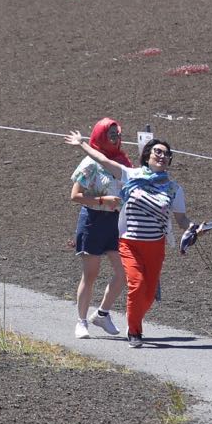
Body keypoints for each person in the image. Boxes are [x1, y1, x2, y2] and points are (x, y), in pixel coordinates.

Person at [66, 130, 190, 348]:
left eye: (166, 154)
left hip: (155, 245)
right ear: (147, 156)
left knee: (149, 292)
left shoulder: (173, 188)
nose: (161, 156)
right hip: (128, 240)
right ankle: (133, 331)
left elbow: (181, 219)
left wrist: (195, 229)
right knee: (134, 283)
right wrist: (82, 144)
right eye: (157, 152)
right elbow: (102, 160)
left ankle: (106, 315)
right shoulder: (131, 175)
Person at [68, 118, 128, 339]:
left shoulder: (122, 161)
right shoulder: (90, 163)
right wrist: (103, 200)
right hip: (93, 221)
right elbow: (75, 196)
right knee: (90, 275)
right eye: (111, 135)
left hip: (115, 223)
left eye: (118, 134)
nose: (116, 138)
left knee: (123, 273)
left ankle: (102, 314)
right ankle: (81, 321)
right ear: (101, 136)